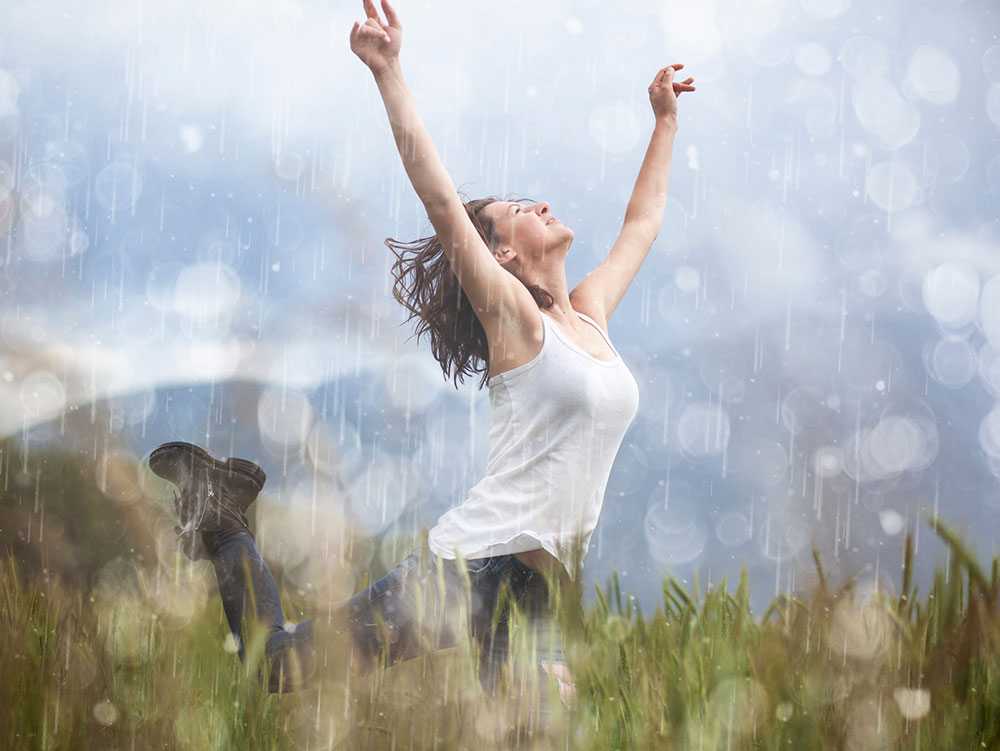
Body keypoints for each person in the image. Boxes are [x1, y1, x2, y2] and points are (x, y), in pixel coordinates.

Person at [148, 0, 694, 702]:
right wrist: (388, 72)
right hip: (465, 572)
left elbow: (642, 223)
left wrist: (665, 122)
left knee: (531, 736)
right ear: (500, 254)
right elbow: (440, 198)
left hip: (543, 594)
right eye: (518, 211)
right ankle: (223, 521)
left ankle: (221, 513)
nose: (539, 205)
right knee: (280, 666)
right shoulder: (513, 320)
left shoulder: (589, 315)